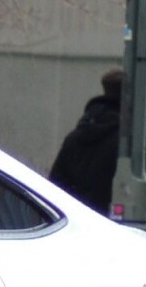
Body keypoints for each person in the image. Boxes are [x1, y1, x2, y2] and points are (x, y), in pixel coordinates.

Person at [48, 67, 123, 214]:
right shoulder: (126, 143)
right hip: (109, 222)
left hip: (76, 219)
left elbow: (56, 185)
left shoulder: (75, 137)